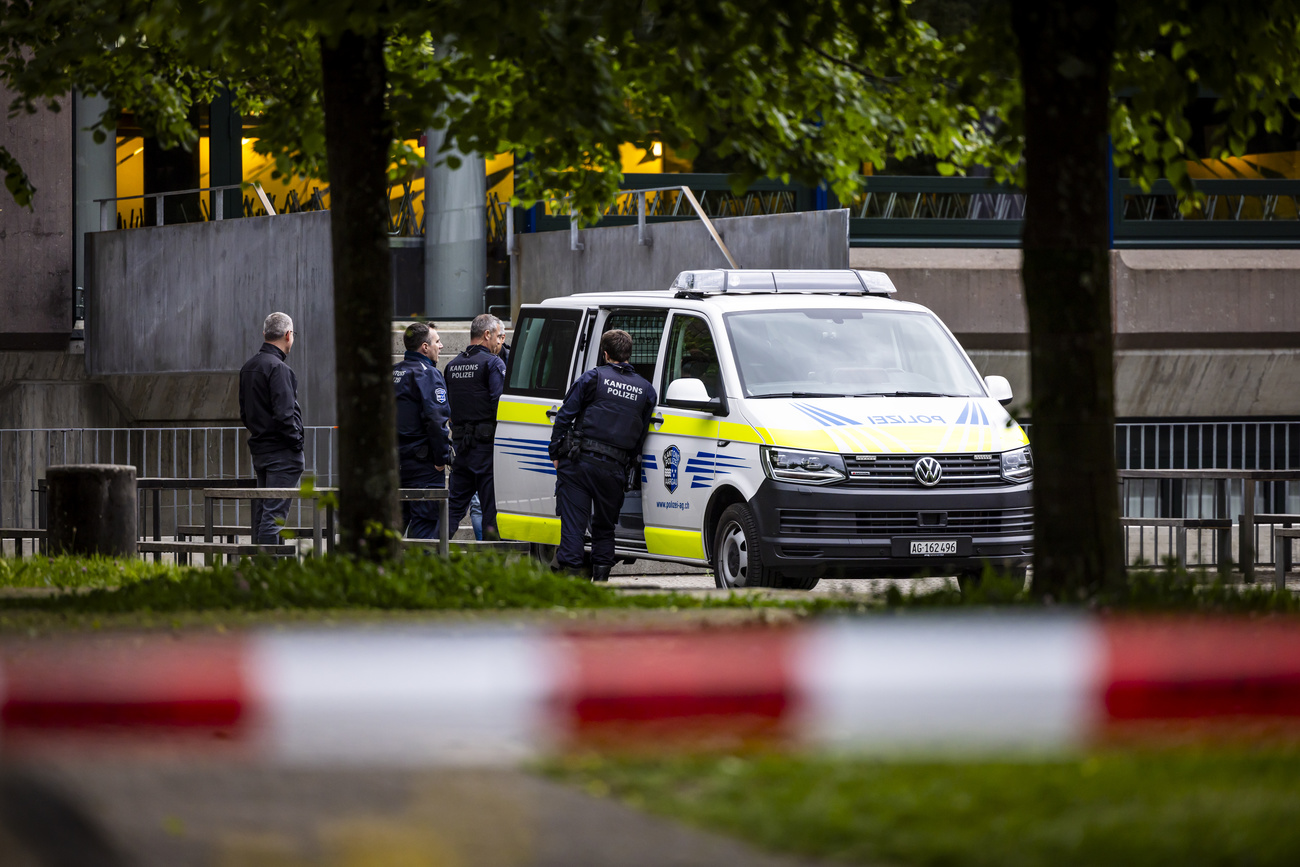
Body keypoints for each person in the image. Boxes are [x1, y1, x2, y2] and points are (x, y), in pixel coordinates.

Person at [549, 329, 656, 581]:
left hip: (579, 464)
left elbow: (564, 416)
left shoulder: (592, 378)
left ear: (605, 354)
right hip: (614, 470)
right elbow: (640, 435)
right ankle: (601, 581)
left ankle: (573, 580)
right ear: (630, 355)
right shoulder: (647, 390)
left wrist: (555, 451)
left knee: (574, 526)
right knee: (605, 528)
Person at [239, 312, 304, 545]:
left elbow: (245, 414)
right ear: (288, 335)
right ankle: (268, 573)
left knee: (262, 514)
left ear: (264, 333)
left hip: (260, 451)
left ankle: (258, 572)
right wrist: (296, 442)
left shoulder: (249, 368)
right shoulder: (280, 370)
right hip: (282, 453)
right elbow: (285, 416)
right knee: (273, 518)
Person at [443, 313, 507, 539]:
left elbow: (448, 409)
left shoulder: (452, 365)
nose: (501, 342)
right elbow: (500, 404)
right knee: (491, 510)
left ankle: (429, 555)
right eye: (499, 336)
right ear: (486, 334)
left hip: (462, 449)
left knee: (453, 509)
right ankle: (491, 565)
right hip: (486, 448)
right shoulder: (492, 363)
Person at [393, 322, 453, 538]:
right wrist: (441, 457)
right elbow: (436, 421)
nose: (442, 346)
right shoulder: (428, 375)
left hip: (396, 465)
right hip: (423, 467)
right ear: (425, 347)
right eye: (437, 341)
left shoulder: (394, 373)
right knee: (425, 531)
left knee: (393, 529)